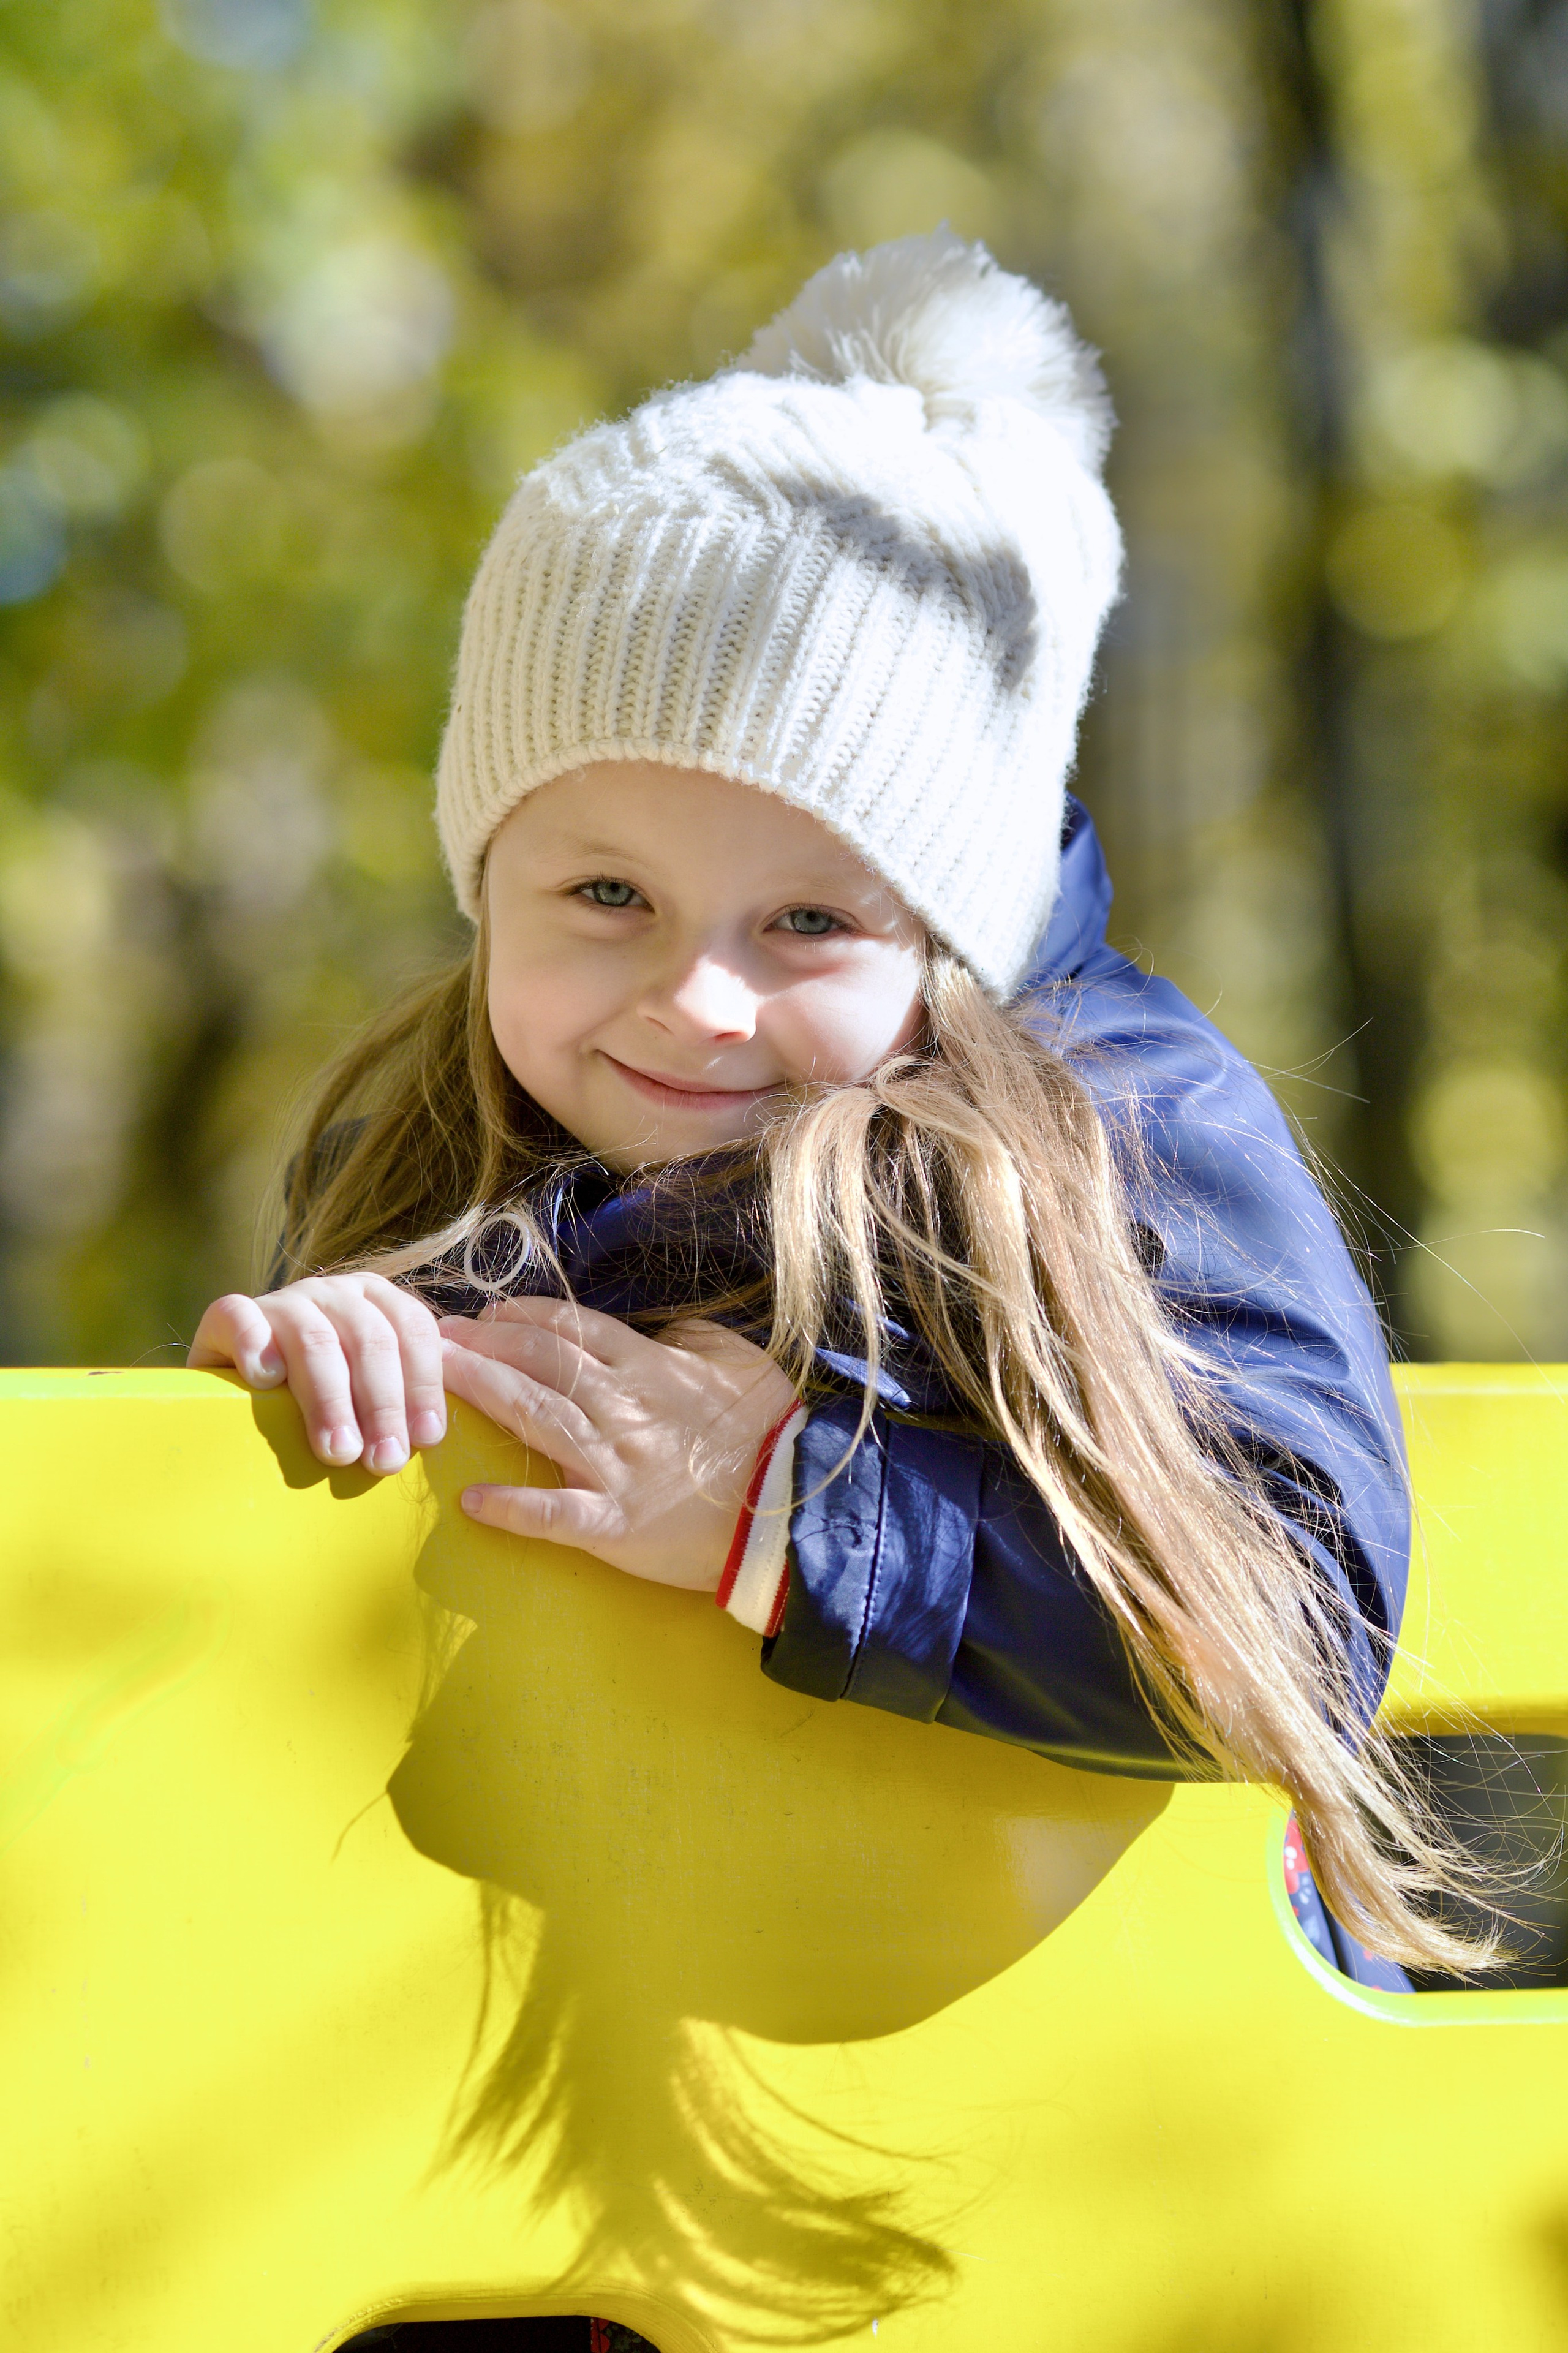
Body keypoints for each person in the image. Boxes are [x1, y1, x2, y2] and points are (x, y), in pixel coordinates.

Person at [192, 234, 1482, 2069]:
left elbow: (1292, 1610)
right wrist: (317, 1388)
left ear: (951, 918)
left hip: (1047, 2112)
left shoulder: (1113, 1119)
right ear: (489, 879)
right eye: (606, 892)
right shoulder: (450, 1129)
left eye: (807, 919)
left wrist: (787, 1511)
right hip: (531, 2088)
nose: (697, 999)